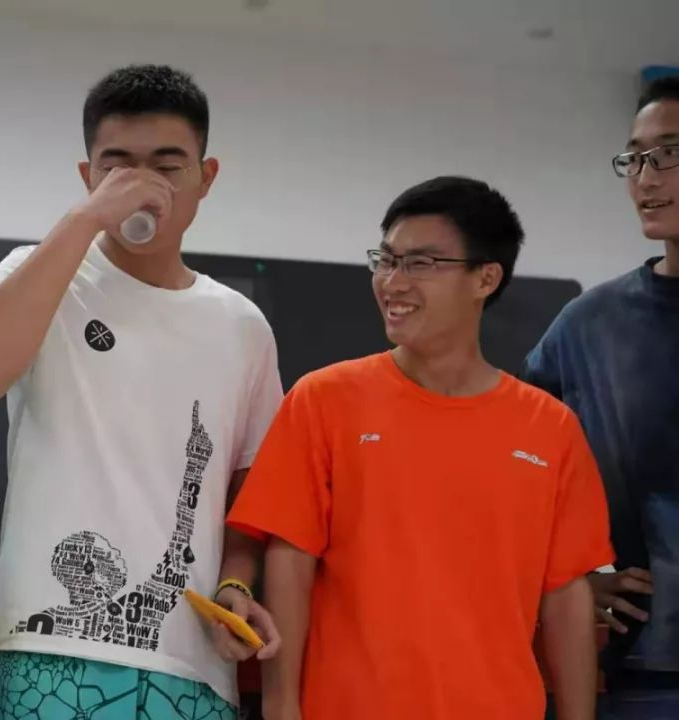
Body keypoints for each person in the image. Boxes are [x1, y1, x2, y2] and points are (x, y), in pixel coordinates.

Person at [0, 65, 284, 719]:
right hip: (39, 646)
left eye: (167, 166)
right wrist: (85, 220)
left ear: (206, 177)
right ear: (87, 176)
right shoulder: (39, 272)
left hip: (190, 665)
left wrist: (237, 582)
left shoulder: (241, 325)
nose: (142, 187)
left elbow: (251, 489)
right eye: (117, 167)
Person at [227, 176, 614, 720]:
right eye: (386, 260)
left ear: (486, 277)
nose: (393, 282)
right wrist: (281, 706)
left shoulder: (550, 429)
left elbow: (566, 595)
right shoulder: (324, 400)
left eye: (421, 264)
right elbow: (290, 561)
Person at [522, 75, 679, 718]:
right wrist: (566, 578)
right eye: (634, 158)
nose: (645, 177)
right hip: (642, 675)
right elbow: (512, 468)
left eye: (668, 153)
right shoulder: (590, 327)